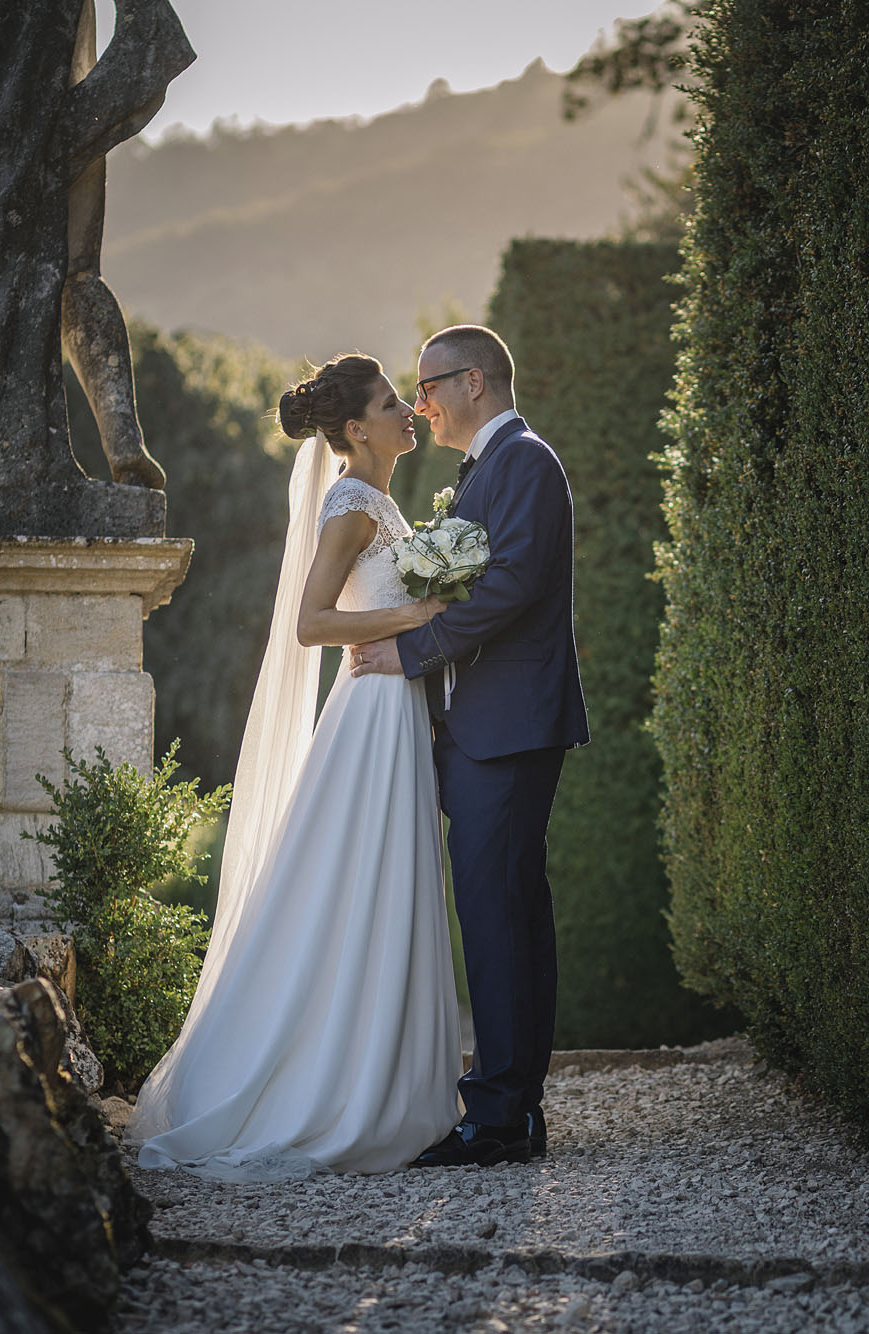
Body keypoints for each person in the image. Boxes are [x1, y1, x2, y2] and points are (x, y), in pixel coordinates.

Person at [125, 354, 461, 1178]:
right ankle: (324, 1086)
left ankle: (386, 1079)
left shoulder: (381, 500)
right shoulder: (351, 502)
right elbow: (313, 623)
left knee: (383, 885)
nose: (406, 413)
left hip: (394, 706)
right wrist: (420, 610)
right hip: (370, 715)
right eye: (391, 404)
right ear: (355, 430)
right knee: (355, 884)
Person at [350, 324, 589, 1167]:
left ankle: (499, 1119)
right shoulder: (490, 469)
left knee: (500, 917)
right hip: (483, 726)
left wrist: (410, 651)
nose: (422, 405)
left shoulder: (524, 462)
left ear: (475, 382)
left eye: (430, 387)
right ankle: (511, 1110)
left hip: (512, 724)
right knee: (503, 915)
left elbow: (515, 585)